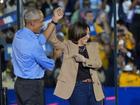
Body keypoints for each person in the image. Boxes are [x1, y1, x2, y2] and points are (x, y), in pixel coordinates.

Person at [11, 7, 64, 105]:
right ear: (32, 23)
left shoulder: (19, 34)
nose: (43, 24)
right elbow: (49, 65)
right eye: (41, 21)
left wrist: (54, 20)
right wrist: (55, 55)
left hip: (19, 85)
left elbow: (41, 39)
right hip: (32, 87)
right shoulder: (33, 45)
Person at [54, 21, 104, 105]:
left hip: (94, 87)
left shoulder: (92, 46)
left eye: (89, 34)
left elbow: (98, 64)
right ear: (78, 33)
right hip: (77, 87)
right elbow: (53, 40)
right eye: (86, 34)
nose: (88, 36)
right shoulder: (68, 46)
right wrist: (54, 22)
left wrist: (84, 60)